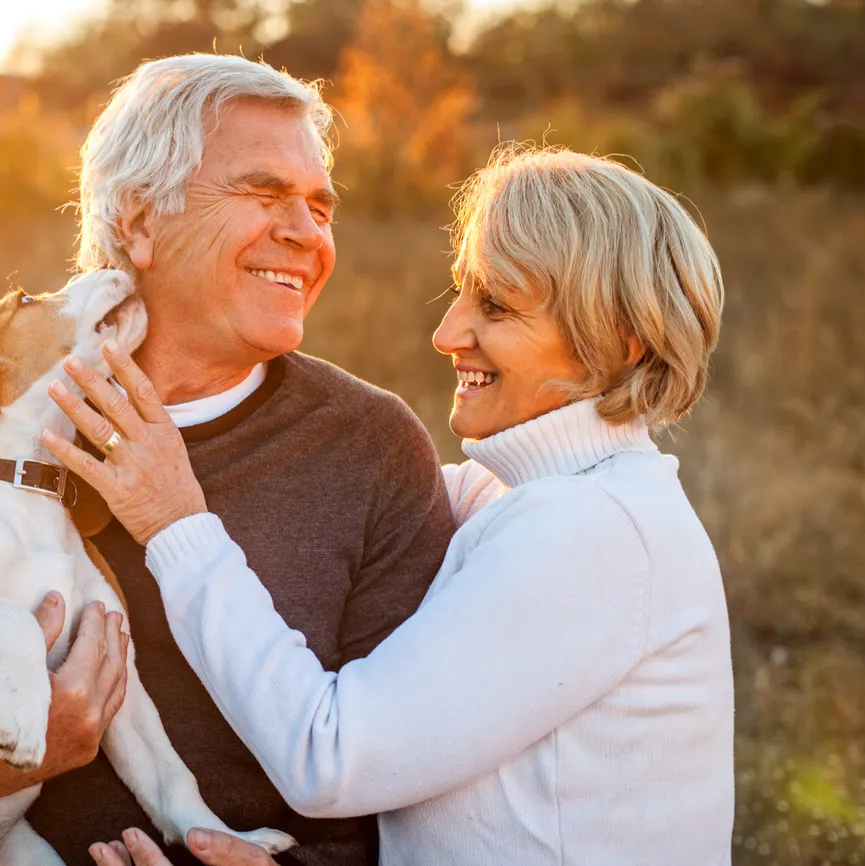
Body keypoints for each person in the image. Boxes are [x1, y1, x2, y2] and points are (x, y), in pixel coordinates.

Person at [0, 55, 456, 865]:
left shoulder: (371, 449)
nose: (306, 233)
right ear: (139, 223)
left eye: (320, 206)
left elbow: (414, 786)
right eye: (262, 194)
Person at [44, 145, 735, 866]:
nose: (447, 334)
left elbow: (331, 757)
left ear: (617, 342)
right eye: (461, 292)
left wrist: (175, 522)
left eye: (495, 306)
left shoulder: (593, 531)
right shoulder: (528, 498)